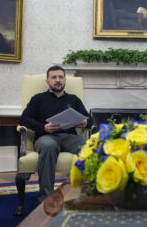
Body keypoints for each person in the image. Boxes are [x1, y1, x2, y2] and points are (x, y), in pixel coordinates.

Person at [20, 66, 93, 202]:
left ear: (65, 80)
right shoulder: (38, 98)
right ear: (48, 81)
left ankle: (87, 195)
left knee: (90, 146)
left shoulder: (74, 99)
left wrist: (85, 123)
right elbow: (24, 119)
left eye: (60, 77)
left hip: (70, 137)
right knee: (48, 146)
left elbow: (89, 119)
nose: (57, 80)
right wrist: (43, 127)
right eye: (54, 77)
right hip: (46, 137)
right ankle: (46, 199)